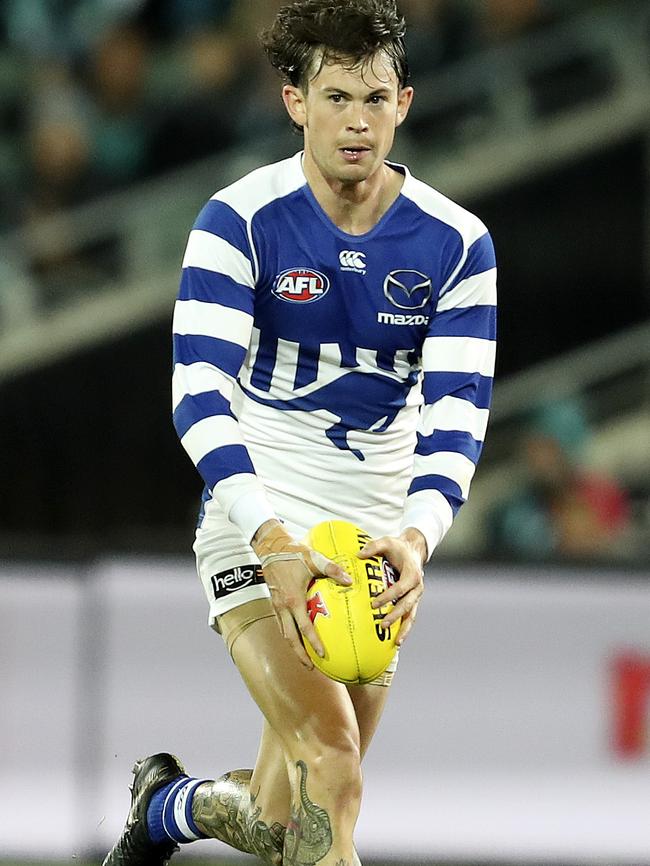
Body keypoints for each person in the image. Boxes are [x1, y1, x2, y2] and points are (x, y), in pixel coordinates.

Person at [102, 1, 497, 864]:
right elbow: (197, 390)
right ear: (294, 102)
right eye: (336, 96)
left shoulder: (458, 243)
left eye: (376, 98)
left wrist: (418, 540)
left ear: (406, 104)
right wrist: (270, 532)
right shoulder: (237, 220)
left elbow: (459, 410)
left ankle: (169, 806)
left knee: (285, 823)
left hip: (373, 548)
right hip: (259, 523)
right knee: (338, 765)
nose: (357, 120)